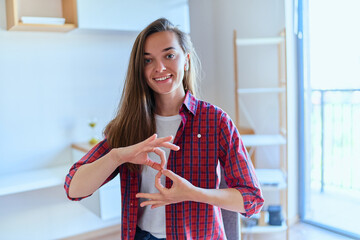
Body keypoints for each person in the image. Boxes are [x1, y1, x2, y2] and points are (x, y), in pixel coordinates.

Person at [64, 18, 264, 240]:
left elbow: (252, 199)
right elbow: (73, 189)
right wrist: (118, 156)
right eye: (148, 60)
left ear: (186, 60)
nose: (159, 68)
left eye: (169, 55)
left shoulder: (215, 121)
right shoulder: (129, 125)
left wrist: (193, 193)